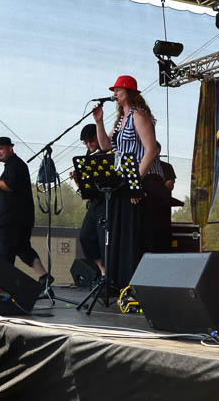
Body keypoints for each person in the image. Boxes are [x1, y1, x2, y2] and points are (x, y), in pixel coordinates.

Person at [92, 75, 169, 290]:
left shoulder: (139, 115)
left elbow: (151, 150)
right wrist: (99, 122)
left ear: (129, 92)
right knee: (123, 234)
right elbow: (106, 146)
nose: (114, 94)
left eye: (118, 90)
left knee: (137, 235)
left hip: (144, 181)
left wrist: (136, 183)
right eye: (114, 90)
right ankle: (122, 284)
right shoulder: (120, 121)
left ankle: (138, 286)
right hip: (125, 184)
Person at [0, 136, 51, 287]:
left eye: (1, 148)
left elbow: (10, 186)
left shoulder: (15, 164)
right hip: (17, 218)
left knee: (5, 254)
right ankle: (44, 277)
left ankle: (6, 287)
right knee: (23, 249)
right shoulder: (11, 165)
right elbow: (3, 189)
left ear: (10, 148)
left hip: (12, 219)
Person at [77, 124, 106, 276]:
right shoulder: (88, 154)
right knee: (85, 236)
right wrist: (79, 181)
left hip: (106, 202)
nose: (89, 145)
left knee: (103, 240)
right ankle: (103, 271)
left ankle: (109, 275)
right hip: (94, 202)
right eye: (85, 143)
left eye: (92, 141)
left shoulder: (107, 150)